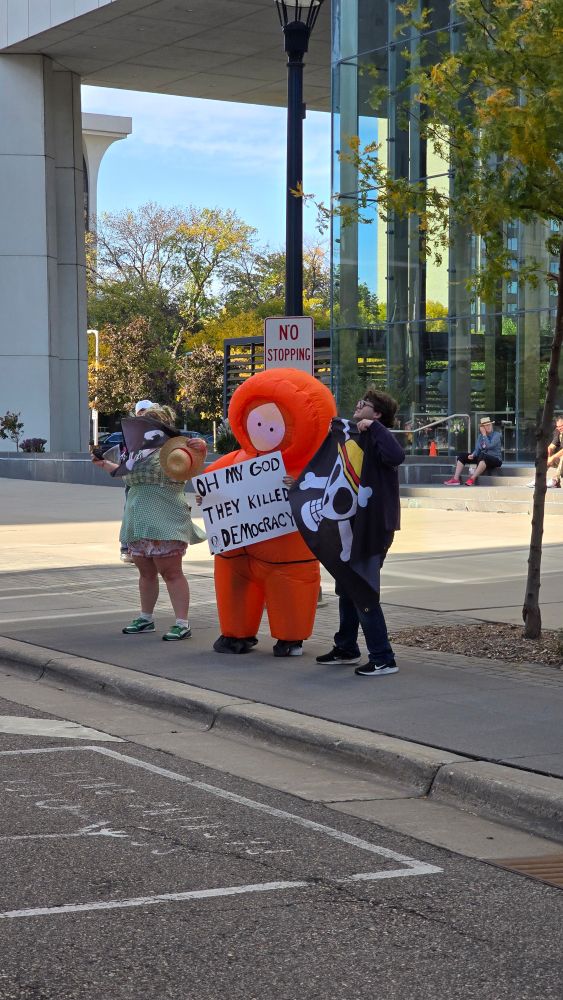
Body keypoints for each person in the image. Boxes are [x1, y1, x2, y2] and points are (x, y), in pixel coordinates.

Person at [93, 404, 204, 641]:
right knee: (145, 573)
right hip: (139, 518)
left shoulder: (176, 449)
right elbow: (125, 474)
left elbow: (195, 463)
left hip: (165, 517)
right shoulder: (136, 451)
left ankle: (182, 623)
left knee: (171, 572)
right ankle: (146, 617)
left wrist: (200, 448)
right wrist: (104, 464)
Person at [315, 389, 405, 677]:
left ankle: (383, 657)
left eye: (365, 404)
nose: (358, 404)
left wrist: (374, 428)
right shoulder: (353, 438)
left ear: (377, 414)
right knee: (346, 586)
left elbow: (396, 456)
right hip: (353, 526)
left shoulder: (379, 437)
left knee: (363, 588)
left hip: (373, 528)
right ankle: (346, 647)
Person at [119, 399, 156, 562]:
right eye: (141, 412)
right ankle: (126, 547)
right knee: (131, 510)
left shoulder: (158, 432)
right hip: (134, 478)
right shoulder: (130, 432)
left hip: (152, 478)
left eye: (148, 412)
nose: (144, 415)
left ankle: (148, 547)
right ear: (137, 413)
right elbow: (124, 455)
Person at [443, 417, 502, 486]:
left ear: (492, 426)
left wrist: (484, 435)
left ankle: (472, 478)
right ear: (482, 428)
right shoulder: (480, 436)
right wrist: (473, 455)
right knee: (462, 456)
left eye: (489, 425)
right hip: (482, 458)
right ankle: (456, 479)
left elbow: (489, 446)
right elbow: (477, 450)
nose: (488, 427)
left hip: (495, 459)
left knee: (483, 457)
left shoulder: (496, 435)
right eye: (486, 425)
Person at [526, 415, 563, 489]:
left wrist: (553, 457)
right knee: (546, 455)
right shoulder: (558, 431)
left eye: (561, 426)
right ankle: (538, 479)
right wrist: (548, 453)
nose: (559, 428)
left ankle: (555, 479)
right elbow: (552, 446)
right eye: (558, 426)